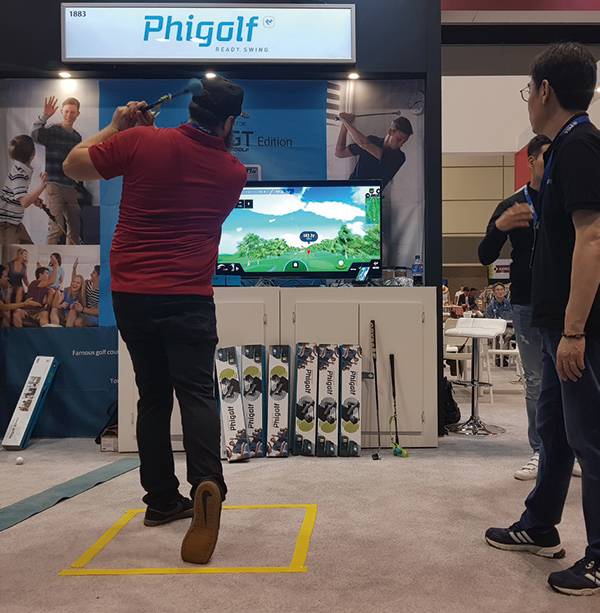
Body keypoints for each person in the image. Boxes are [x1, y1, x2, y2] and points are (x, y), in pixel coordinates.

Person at [62, 76, 248, 565]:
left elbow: (72, 163)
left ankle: (162, 500)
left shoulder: (142, 140)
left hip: (132, 295)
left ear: (191, 109)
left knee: (153, 396)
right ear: (229, 122)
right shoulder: (233, 173)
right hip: (188, 298)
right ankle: (207, 484)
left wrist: (117, 127)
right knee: (197, 394)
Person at [485, 42, 600, 597]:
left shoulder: (580, 147)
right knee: (553, 430)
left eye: (528, 90)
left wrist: (576, 330)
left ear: (546, 90)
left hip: (580, 327)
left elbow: (593, 238)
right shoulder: (561, 151)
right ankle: (539, 524)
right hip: (554, 323)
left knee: (590, 438)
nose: (528, 100)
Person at [478, 135, 569, 481]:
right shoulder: (512, 205)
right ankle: (540, 451)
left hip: (566, 302)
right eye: (547, 158)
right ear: (531, 160)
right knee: (534, 380)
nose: (553, 165)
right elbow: (485, 255)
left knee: (570, 378)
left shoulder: (566, 199)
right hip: (527, 302)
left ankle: (568, 450)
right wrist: (500, 227)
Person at [32, 97, 83, 244]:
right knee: (56, 227)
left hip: (70, 186)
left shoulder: (77, 137)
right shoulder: (53, 130)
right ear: (61, 111)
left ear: (78, 114)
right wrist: (45, 116)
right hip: (53, 184)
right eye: (66, 111)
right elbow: (34, 135)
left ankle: (72, 254)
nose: (69, 115)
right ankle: (51, 256)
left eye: (72, 112)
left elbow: (76, 162)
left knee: (75, 228)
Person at [335, 114, 412, 189]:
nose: (401, 144)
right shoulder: (372, 140)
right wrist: (344, 126)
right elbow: (340, 152)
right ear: (390, 131)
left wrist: (345, 121)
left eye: (404, 142)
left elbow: (363, 144)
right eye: (399, 139)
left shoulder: (399, 157)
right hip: (351, 188)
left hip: (370, 194)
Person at [0, 135, 47, 254]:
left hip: (14, 223)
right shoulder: (19, 173)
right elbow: (24, 202)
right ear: (33, 154)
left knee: (29, 250)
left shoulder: (21, 169)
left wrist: (34, 199)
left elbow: (18, 195)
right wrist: (42, 186)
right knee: (10, 255)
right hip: (6, 224)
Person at [50, 257, 84, 327]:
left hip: (74, 316)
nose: (75, 284)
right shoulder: (66, 290)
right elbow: (56, 305)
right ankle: (56, 329)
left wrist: (73, 306)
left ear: (81, 285)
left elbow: (79, 308)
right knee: (54, 309)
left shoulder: (81, 294)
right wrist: (60, 306)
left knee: (72, 311)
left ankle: (67, 330)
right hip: (64, 314)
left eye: (78, 283)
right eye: (73, 282)